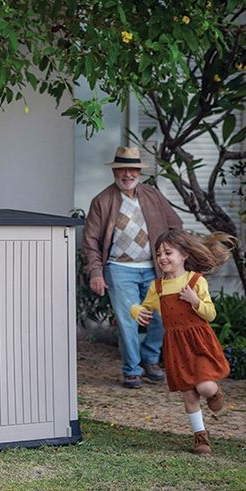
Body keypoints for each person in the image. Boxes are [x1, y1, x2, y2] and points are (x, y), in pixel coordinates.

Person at [82, 146, 183, 389]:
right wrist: (96, 272)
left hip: (154, 269)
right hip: (119, 269)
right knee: (129, 320)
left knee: (162, 315)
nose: (128, 174)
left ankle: (150, 359)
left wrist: (173, 260)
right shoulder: (102, 200)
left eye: (133, 169)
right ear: (115, 171)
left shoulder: (153, 195)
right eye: (123, 169)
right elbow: (90, 241)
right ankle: (132, 370)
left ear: (139, 172)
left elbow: (175, 225)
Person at [131, 229, 234, 455]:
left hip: (199, 342)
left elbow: (211, 314)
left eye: (168, 253)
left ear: (184, 255)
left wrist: (195, 300)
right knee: (189, 394)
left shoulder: (196, 281)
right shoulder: (156, 287)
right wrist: (136, 311)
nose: (162, 258)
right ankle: (201, 437)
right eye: (159, 254)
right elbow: (144, 306)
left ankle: (214, 392)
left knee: (204, 387)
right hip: (176, 347)